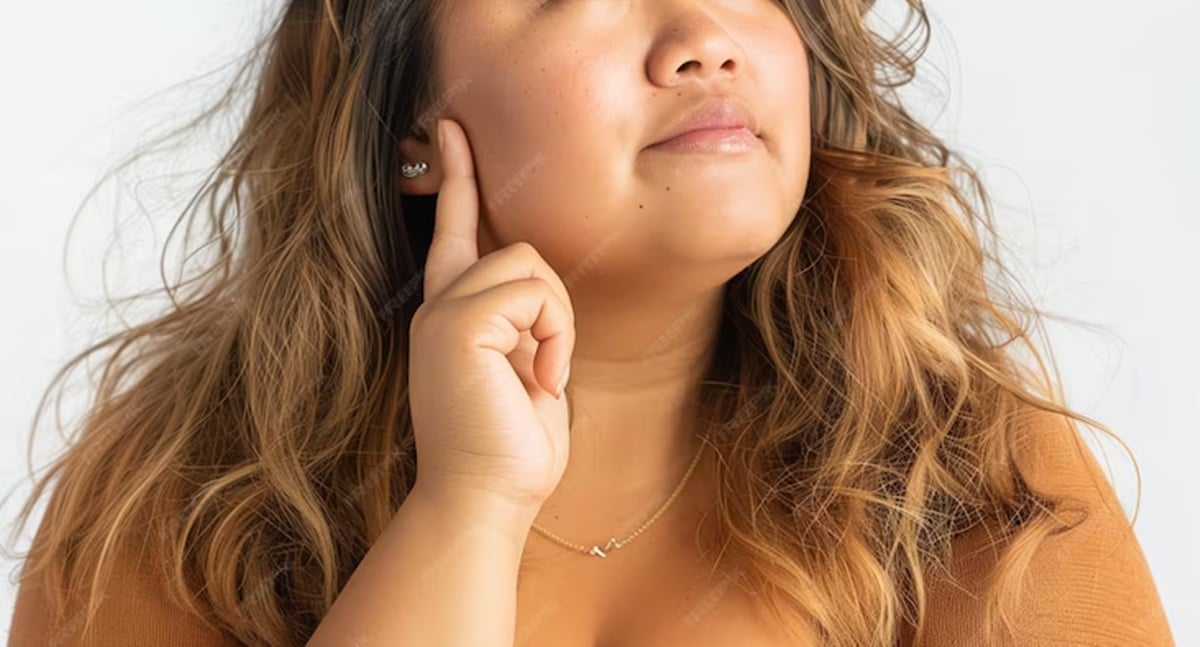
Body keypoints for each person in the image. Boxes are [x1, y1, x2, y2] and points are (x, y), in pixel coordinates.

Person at [5, 1, 1175, 645]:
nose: (702, 35)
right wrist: (466, 504)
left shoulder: (975, 473)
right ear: (409, 121)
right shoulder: (176, 495)